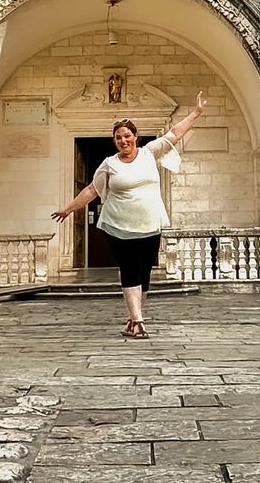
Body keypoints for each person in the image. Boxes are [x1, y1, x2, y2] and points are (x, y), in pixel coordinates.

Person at [52, 91, 209, 340]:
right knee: (130, 270)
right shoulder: (109, 164)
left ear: (135, 136)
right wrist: (68, 209)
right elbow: (92, 189)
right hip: (120, 225)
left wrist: (196, 113)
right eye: (118, 138)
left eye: (127, 136)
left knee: (144, 271)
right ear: (114, 141)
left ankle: (133, 317)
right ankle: (138, 321)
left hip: (150, 224)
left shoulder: (149, 153)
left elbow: (175, 133)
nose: (123, 140)